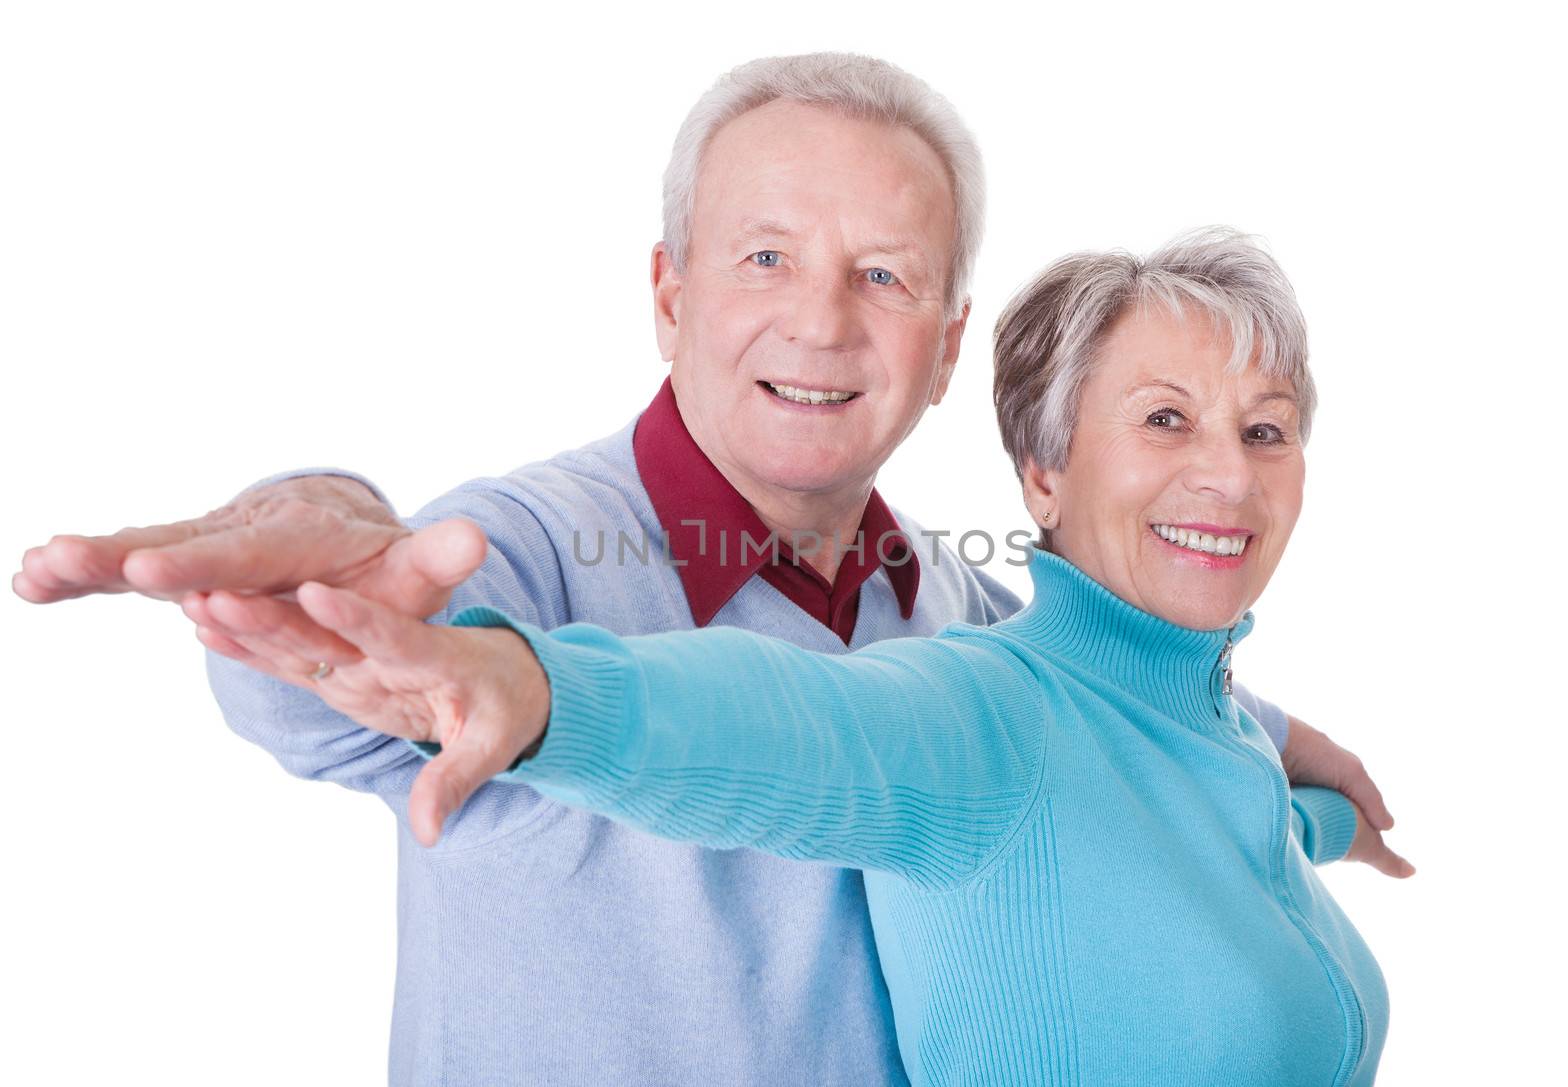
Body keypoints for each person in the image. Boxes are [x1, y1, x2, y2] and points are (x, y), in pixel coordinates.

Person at [12, 55, 1404, 1085]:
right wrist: (328, 547)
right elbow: (339, 679)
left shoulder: (950, 599)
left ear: (944, 346)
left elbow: (1102, 710)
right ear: (669, 293)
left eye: (883, 277)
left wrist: (1279, 737)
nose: (820, 320)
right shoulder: (520, 548)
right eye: (764, 256)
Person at [258, 228, 1394, 1085]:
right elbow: (785, 721)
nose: (1231, 477)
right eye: (1162, 420)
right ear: (1043, 475)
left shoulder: (1209, 735)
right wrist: (545, 691)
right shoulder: (982, 712)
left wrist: (1313, 786)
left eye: (1265, 428)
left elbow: (1187, 840)